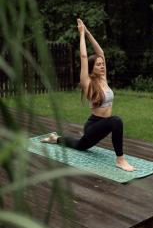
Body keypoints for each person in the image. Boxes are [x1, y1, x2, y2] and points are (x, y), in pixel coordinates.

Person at [41, 18, 134, 171]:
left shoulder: (103, 78)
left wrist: (89, 32)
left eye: (102, 64)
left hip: (102, 125)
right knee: (116, 121)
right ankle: (120, 160)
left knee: (80, 145)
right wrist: (81, 34)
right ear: (91, 68)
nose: (102, 65)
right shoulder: (88, 82)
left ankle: (55, 139)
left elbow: (101, 52)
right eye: (98, 64)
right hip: (93, 125)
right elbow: (84, 57)